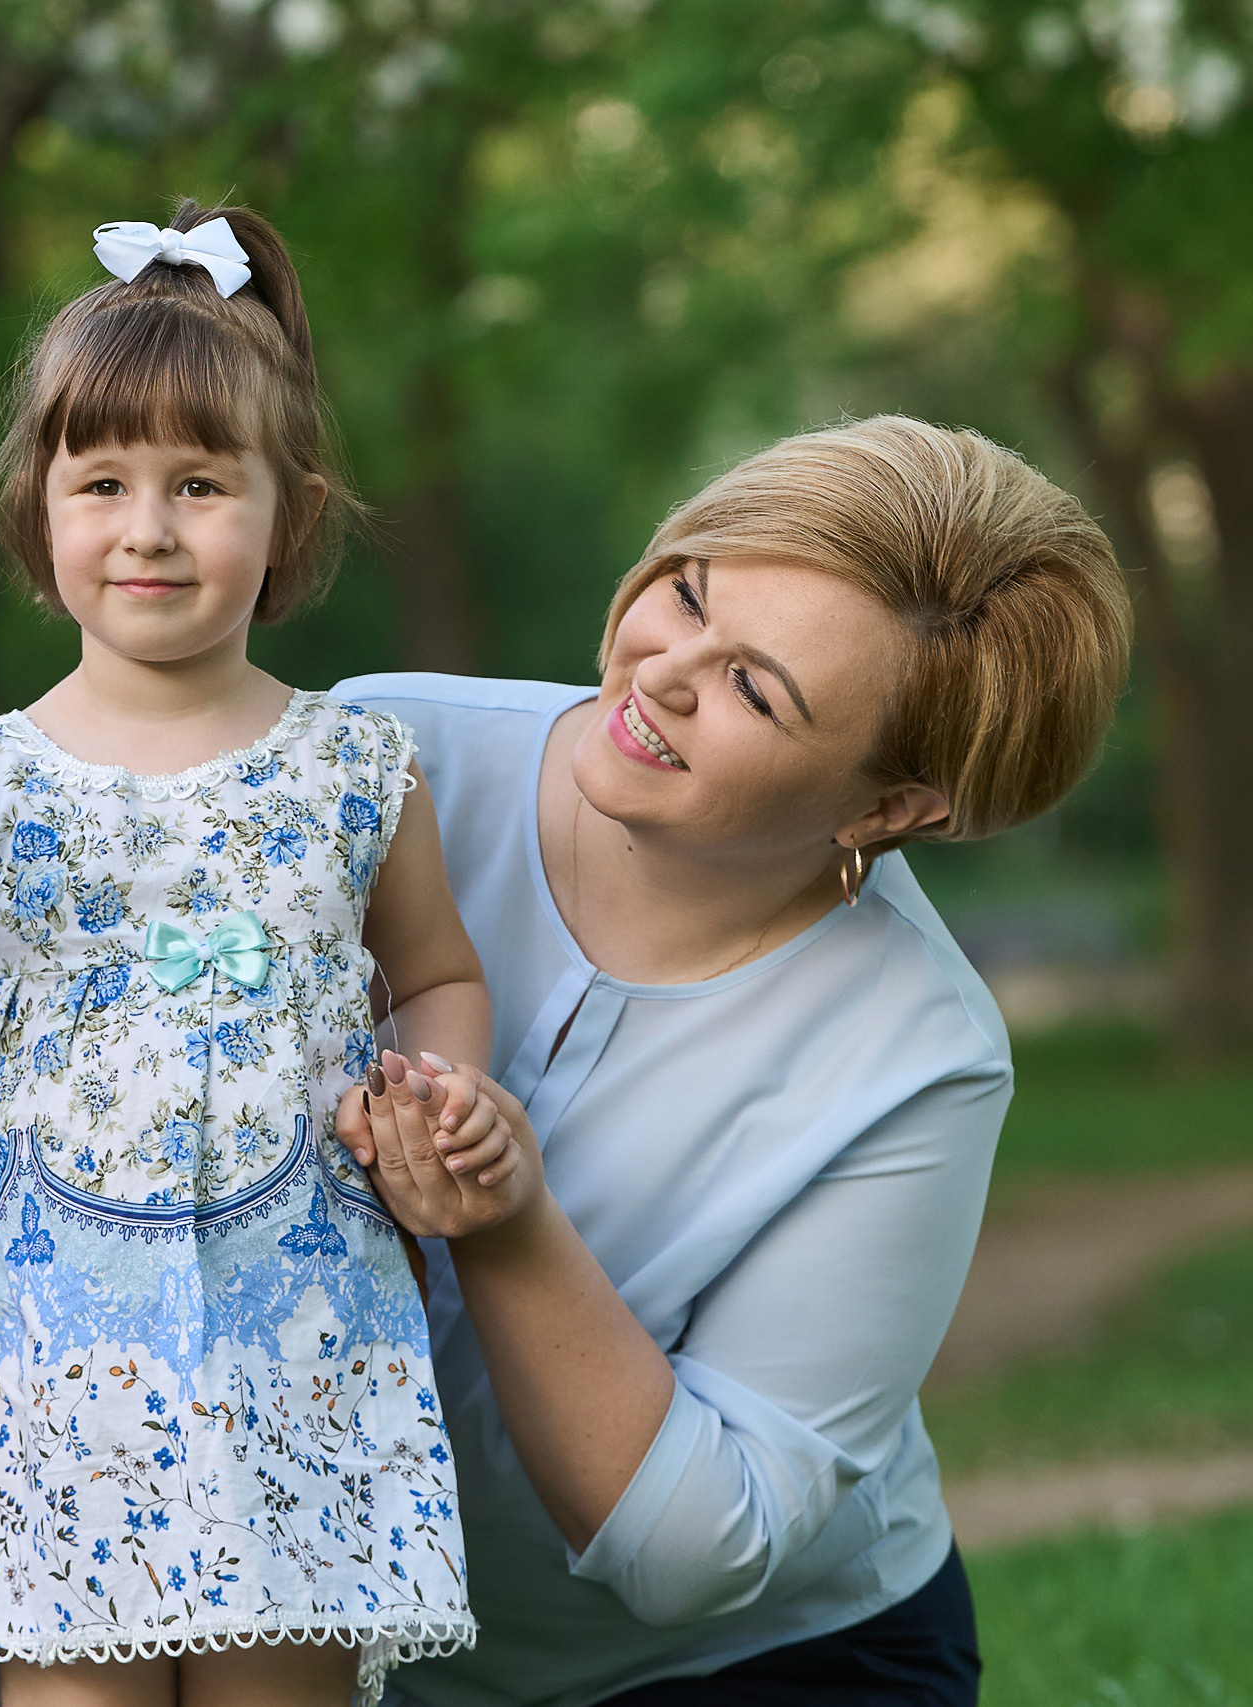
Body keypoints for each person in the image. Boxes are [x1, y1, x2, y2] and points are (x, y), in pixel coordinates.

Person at [0, 204, 514, 1707]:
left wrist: (436, 1092)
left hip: (297, 1353)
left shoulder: (354, 768)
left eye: (201, 483)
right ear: (37, 515)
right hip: (64, 1375)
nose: (149, 527)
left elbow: (438, 967)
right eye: (103, 480)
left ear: (288, 513)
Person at [328, 416, 1132, 1706]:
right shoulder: (366, 764)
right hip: (289, 1630)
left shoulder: (918, 1056)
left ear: (886, 810)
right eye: (687, 591)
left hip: (742, 1668)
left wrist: (507, 1225)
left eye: (758, 688)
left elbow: (697, 1549)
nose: (662, 671)